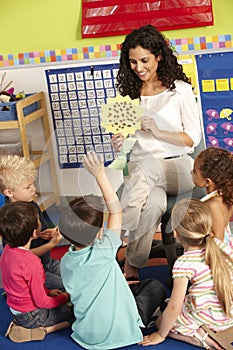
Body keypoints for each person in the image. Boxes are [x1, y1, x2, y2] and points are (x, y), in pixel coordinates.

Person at [112, 24, 201, 279]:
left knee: (147, 169)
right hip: (143, 174)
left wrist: (159, 131)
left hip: (179, 167)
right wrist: (120, 143)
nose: (138, 68)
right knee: (152, 205)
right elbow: (129, 143)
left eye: (144, 60)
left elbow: (192, 138)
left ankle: (114, 234)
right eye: (132, 62)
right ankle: (133, 266)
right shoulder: (127, 94)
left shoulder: (180, 90)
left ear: (159, 56)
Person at [59, 151, 166, 350]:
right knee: (154, 286)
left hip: (87, 336)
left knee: (128, 287)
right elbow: (116, 209)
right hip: (123, 333)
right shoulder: (105, 249)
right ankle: (148, 317)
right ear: (100, 231)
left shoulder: (65, 261)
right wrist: (99, 174)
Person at [141, 198, 233, 349]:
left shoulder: (184, 263)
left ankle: (201, 338)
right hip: (229, 314)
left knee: (161, 322)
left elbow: (174, 307)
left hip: (211, 319)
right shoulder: (220, 244)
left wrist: (160, 334)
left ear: (175, 233)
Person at [0, 201, 74, 343]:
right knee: (76, 311)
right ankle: (39, 331)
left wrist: (48, 291)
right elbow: (42, 302)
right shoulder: (31, 262)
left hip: (17, 310)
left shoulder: (7, 251)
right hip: (32, 317)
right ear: (34, 233)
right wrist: (64, 298)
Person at [0, 154, 64, 291]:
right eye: (28, 187)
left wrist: (47, 233)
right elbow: (22, 255)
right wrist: (52, 244)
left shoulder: (30, 204)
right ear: (9, 192)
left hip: (46, 262)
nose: (34, 190)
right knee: (66, 285)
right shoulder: (10, 220)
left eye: (33, 184)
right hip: (32, 271)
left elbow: (37, 231)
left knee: (75, 274)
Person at [192, 146, 233, 243]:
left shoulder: (213, 205)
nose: (191, 173)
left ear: (207, 182)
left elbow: (218, 240)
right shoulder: (225, 195)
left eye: (194, 172)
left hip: (217, 253)